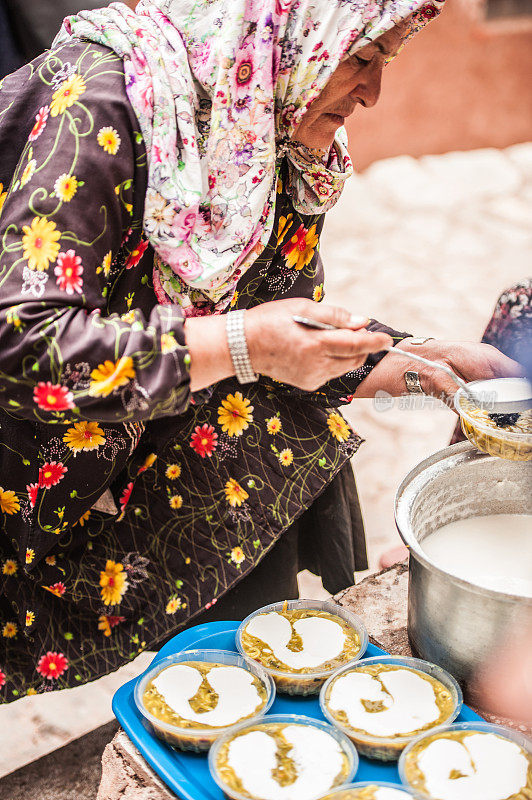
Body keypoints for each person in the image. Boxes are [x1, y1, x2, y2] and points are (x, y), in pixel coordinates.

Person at [0, 0, 519, 700]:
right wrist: (243, 344)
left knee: (247, 586)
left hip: (148, 423)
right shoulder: (98, 105)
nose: (373, 93)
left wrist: (415, 363)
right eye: (361, 58)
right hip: (27, 447)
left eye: (384, 62)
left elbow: (279, 323)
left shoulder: (259, 118)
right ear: (285, 31)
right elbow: (24, 342)